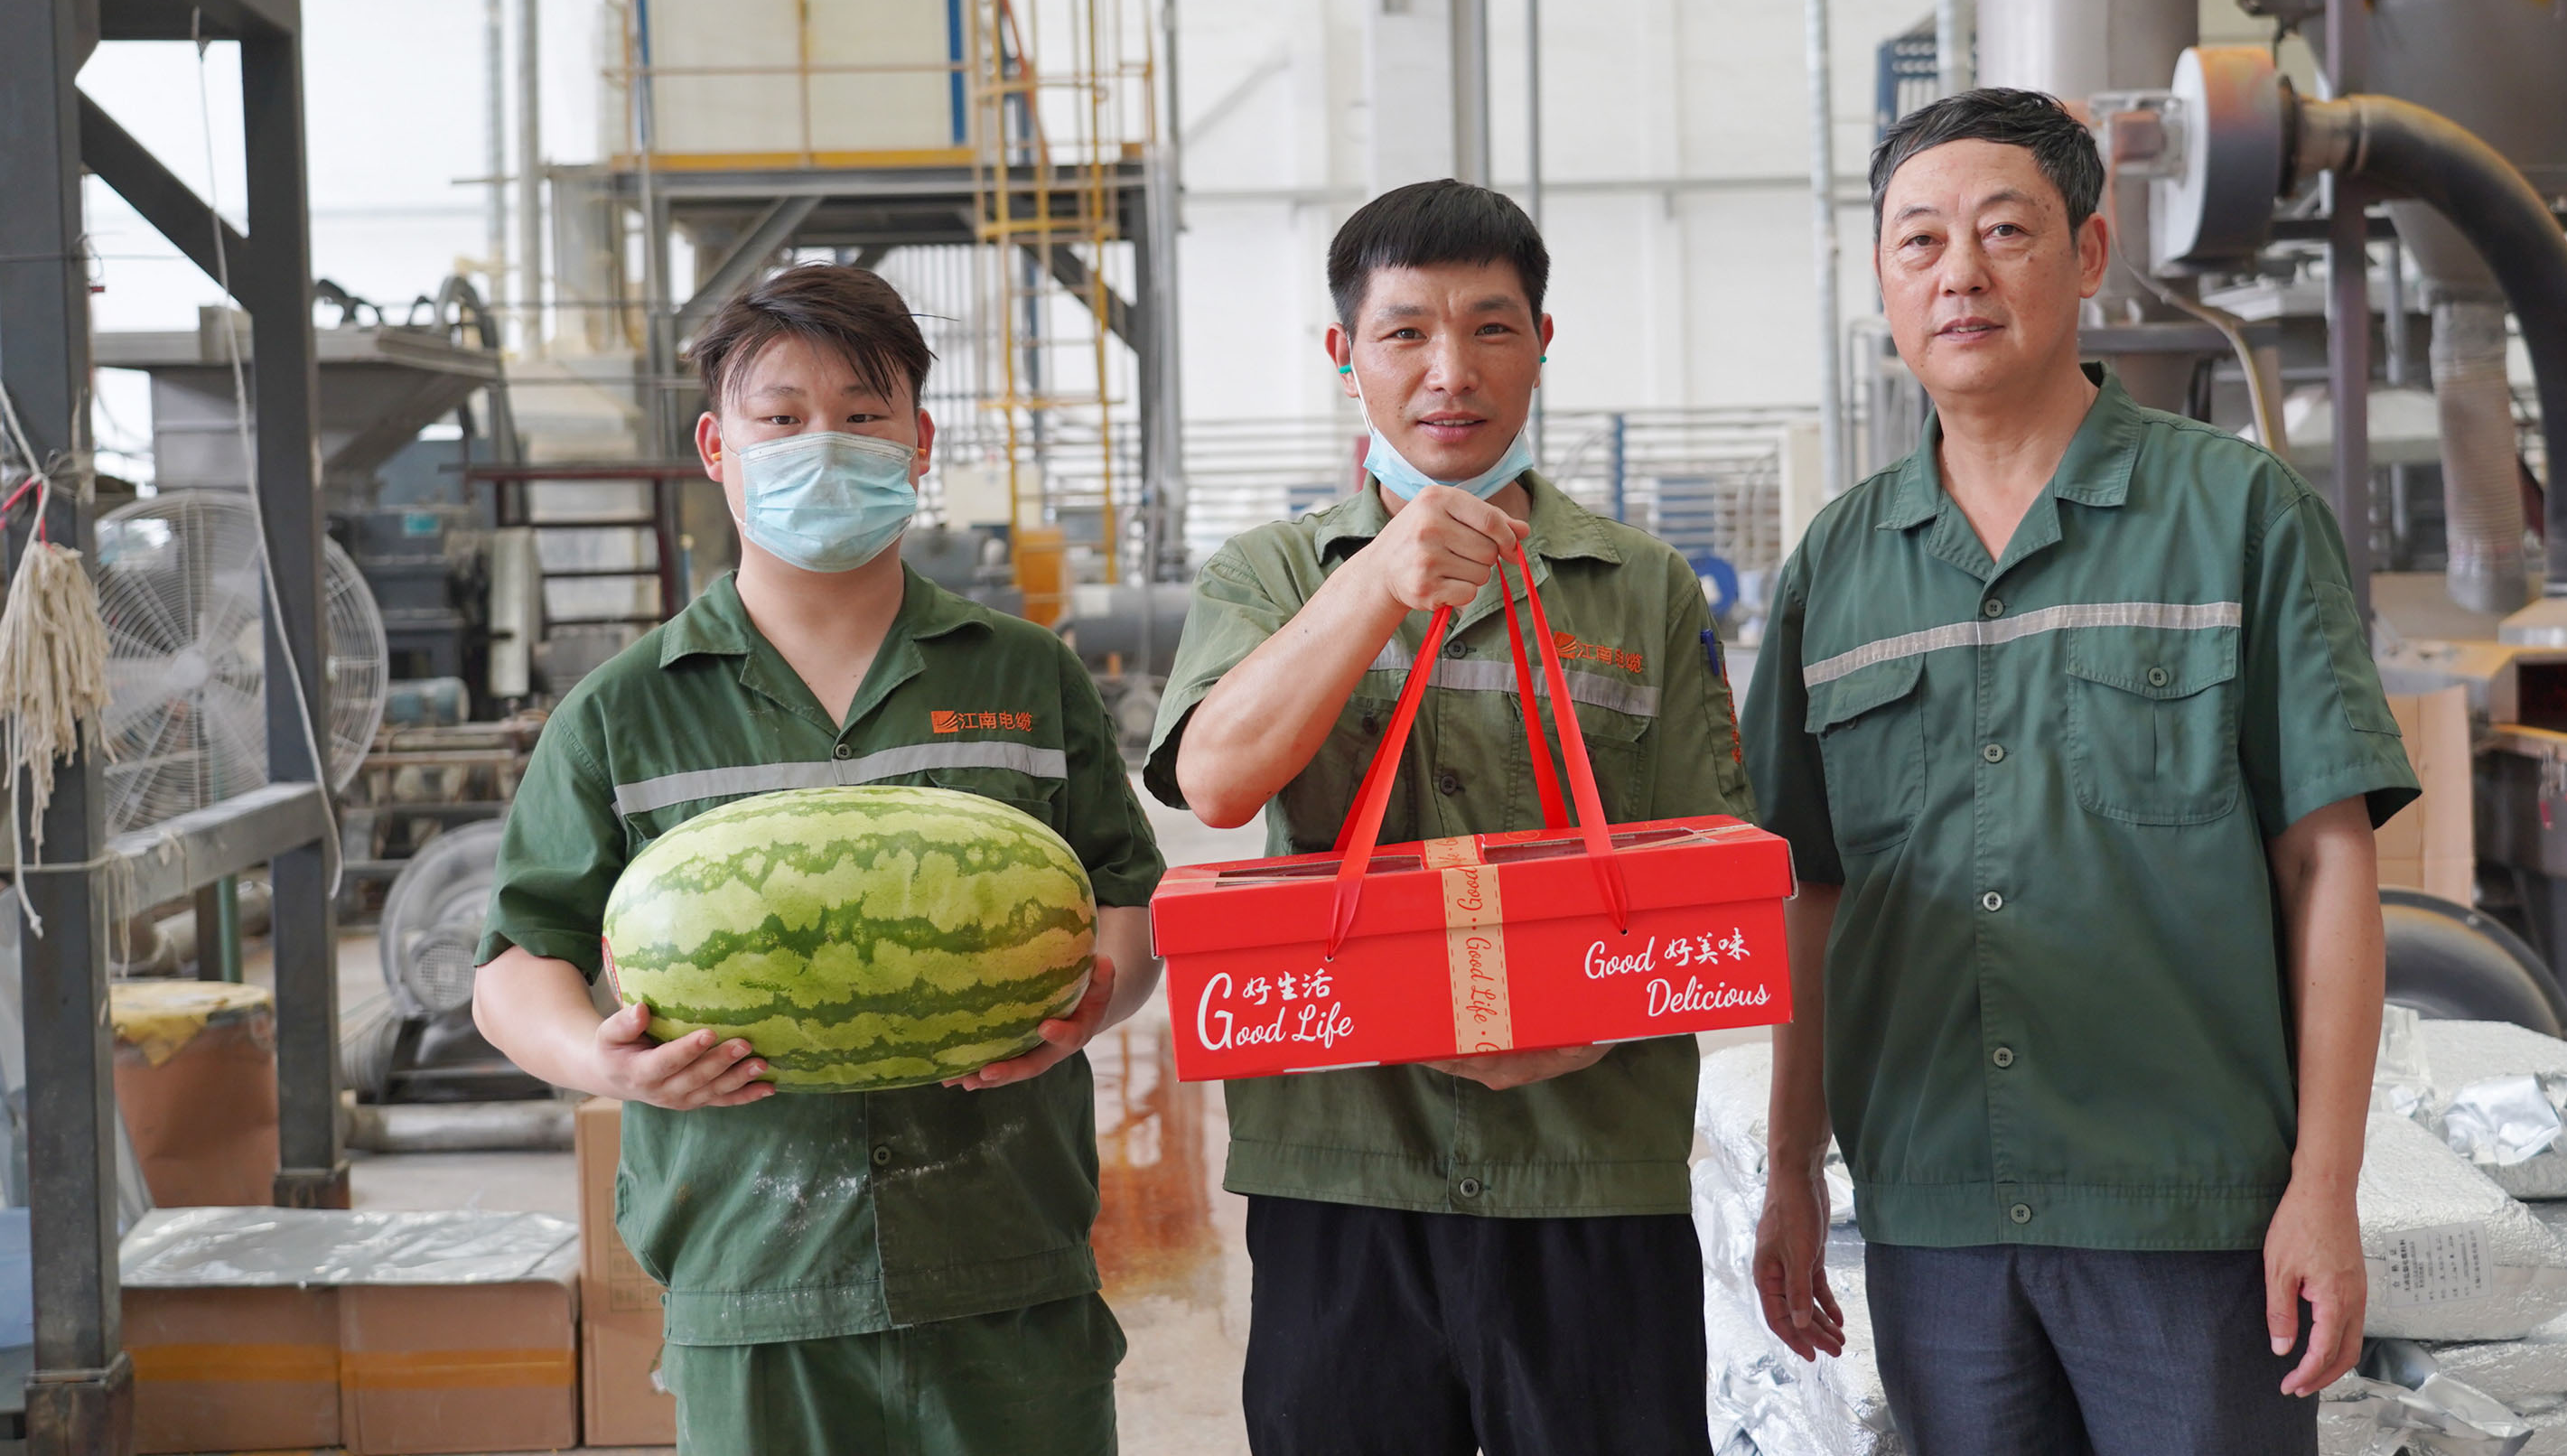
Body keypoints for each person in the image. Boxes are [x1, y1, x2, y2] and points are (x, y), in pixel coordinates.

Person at [1741, 87, 2418, 1454]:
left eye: (2005, 230)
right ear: (1883, 278)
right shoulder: (1837, 568)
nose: (1960, 274)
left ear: (2090, 252)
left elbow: (2327, 860)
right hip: (1936, 1216)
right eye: (1920, 242)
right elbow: (1807, 891)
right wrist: (1791, 1167)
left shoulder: (2237, 515)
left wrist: (2324, 1186)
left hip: (2186, 1213)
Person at [471, 262, 1166, 1455]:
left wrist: (1091, 1002)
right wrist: (600, 1060)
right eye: (782, 418)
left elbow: (1124, 901)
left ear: (919, 442)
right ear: (716, 446)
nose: (822, 447)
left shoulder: (1027, 675)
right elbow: (515, 962)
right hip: (752, 1276)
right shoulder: (622, 711)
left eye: (861, 414)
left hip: (1004, 1252)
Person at [1144, 179, 1750, 1456]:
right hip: (1342, 1169)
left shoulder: (1641, 588)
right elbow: (1216, 782)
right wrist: (1374, 582)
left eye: (1490, 328)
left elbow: (1711, 883)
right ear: (1345, 354)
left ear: (1541, 342)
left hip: (1590, 1171)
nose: (1450, 372)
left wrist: (1592, 1023)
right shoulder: (1270, 576)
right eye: (1405, 332)